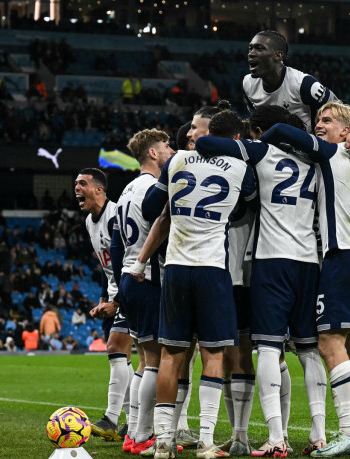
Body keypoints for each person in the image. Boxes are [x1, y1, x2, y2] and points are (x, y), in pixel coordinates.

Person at [195, 105, 329, 456]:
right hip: (309, 261)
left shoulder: (262, 150)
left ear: (259, 130)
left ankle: (276, 438)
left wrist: (261, 141)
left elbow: (208, 145)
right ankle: (319, 435)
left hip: (271, 261)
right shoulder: (317, 161)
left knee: (267, 347)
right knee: (309, 351)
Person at [259, 102, 350, 456]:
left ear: (345, 131)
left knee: (328, 343)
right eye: (317, 121)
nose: (318, 126)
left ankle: (348, 431)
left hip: (343, 256)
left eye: (326, 121)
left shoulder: (332, 152)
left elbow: (281, 132)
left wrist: (259, 146)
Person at [137, 108, 257, 459]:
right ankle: (205, 442)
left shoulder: (176, 161)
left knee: (172, 355)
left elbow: (151, 208)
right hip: (212, 269)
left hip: (175, 266)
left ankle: (162, 442)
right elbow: (245, 206)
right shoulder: (239, 166)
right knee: (214, 354)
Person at [110, 129, 175, 454]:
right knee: (155, 360)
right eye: (166, 146)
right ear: (153, 153)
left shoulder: (126, 190)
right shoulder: (153, 188)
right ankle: (143, 434)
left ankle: (134, 435)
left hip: (128, 278)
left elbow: (116, 242)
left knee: (144, 359)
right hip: (147, 277)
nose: (171, 149)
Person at [75, 167, 134, 441]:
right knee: (122, 359)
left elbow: (128, 261)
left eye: (82, 183)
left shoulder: (116, 215)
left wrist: (119, 301)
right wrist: (103, 297)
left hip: (130, 292)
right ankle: (133, 422)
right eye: (76, 184)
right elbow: (105, 264)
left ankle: (111, 419)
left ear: (99, 189)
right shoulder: (89, 221)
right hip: (113, 294)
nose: (77, 188)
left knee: (115, 348)